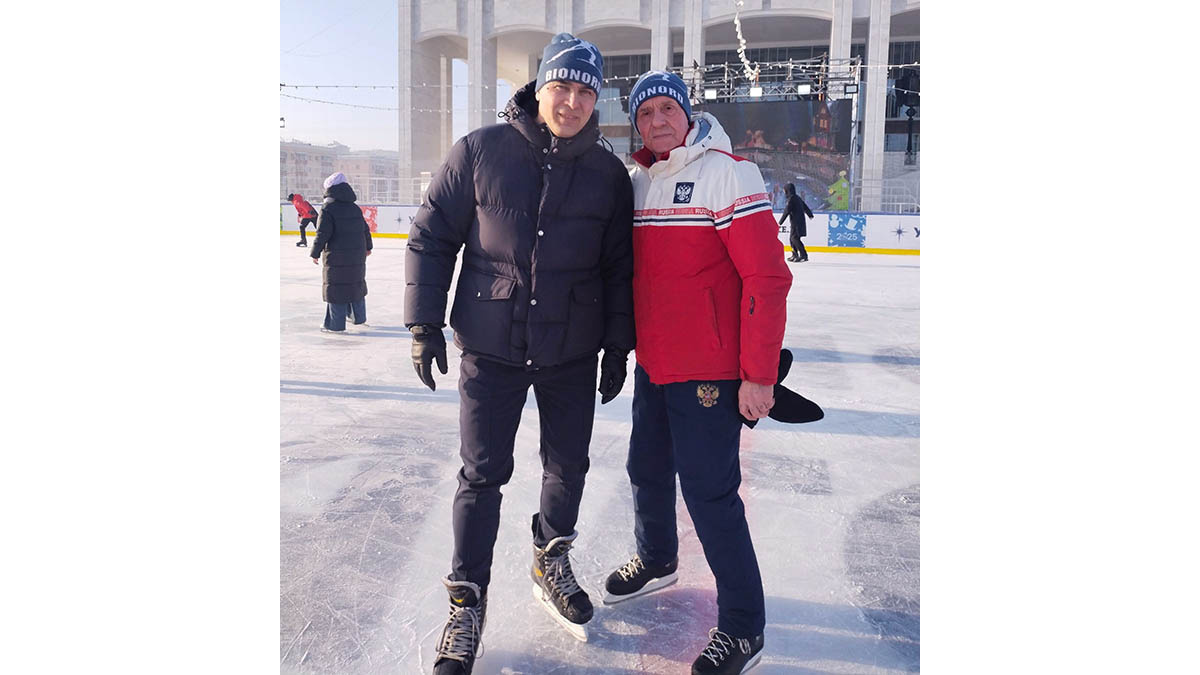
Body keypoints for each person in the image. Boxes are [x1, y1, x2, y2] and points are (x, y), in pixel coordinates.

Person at [404, 32, 634, 675]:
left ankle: (550, 556)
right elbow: (430, 237)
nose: (573, 101)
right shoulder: (480, 151)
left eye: (586, 91)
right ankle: (466, 601)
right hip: (490, 345)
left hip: (570, 348)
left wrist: (618, 346)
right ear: (540, 89)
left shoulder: (609, 174)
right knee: (483, 475)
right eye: (562, 87)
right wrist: (423, 322)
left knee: (569, 466)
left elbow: (619, 268)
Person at [602, 70, 792, 675]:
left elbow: (767, 278)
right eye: (644, 113)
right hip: (655, 365)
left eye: (666, 109)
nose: (656, 120)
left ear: (687, 113)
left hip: (710, 371)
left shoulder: (727, 173)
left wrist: (759, 375)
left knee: (710, 497)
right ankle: (657, 557)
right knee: (645, 468)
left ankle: (742, 627)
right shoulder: (638, 182)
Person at [310, 172, 372, 332]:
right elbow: (365, 229)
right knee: (355, 284)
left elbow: (323, 233)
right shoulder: (354, 208)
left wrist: (315, 252)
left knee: (336, 287)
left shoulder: (328, 208)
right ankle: (358, 318)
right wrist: (368, 247)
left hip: (336, 256)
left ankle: (334, 325)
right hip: (357, 254)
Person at [779, 182, 814, 262]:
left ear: (788, 190)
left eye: (785, 190)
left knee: (795, 238)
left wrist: (780, 222)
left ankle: (803, 255)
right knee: (792, 238)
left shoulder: (791, 199)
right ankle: (794, 254)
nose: (784, 192)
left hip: (796, 222)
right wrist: (810, 214)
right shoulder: (796, 197)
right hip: (797, 221)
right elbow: (805, 206)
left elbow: (787, 211)